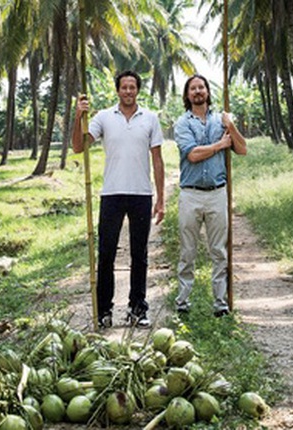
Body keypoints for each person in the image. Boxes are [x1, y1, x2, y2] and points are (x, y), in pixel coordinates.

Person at [72, 70, 165, 329]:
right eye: (124, 87)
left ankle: (137, 308)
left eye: (132, 87)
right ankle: (104, 310)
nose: (128, 91)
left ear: (138, 90)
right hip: (111, 194)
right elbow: (79, 147)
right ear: (117, 90)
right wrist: (79, 115)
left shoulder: (150, 118)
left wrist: (161, 199)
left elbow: (157, 160)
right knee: (107, 254)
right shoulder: (102, 117)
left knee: (140, 254)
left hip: (141, 194)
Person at [173, 74, 247, 317]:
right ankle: (183, 303)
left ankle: (220, 304)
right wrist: (219, 145)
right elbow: (192, 155)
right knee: (188, 251)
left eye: (201, 87)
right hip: (190, 194)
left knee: (219, 250)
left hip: (217, 193)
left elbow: (242, 149)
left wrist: (231, 126)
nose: (197, 91)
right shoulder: (182, 123)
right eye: (193, 88)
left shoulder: (221, 120)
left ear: (207, 91)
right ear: (187, 95)